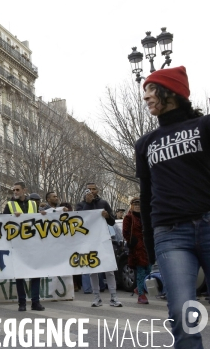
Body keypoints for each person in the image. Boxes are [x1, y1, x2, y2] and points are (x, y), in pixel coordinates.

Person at [135, 66, 210, 348]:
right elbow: (146, 196)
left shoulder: (204, 127)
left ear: (173, 92)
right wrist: (152, 248)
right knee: (182, 312)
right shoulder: (145, 143)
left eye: (152, 89)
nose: (146, 97)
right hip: (171, 234)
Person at [76, 183, 121, 308]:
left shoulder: (104, 203)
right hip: (88, 240)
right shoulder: (80, 204)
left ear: (98, 190)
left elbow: (112, 222)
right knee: (92, 270)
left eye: (93, 189)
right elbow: (80, 219)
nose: (91, 191)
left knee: (109, 269)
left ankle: (114, 296)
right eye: (88, 189)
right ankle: (96, 297)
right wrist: (88, 203)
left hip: (104, 239)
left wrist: (108, 216)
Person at [3, 182, 45, 312]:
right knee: (20, 275)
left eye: (17, 189)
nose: (15, 192)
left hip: (32, 244)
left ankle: (35, 302)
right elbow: (3, 222)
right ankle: (22, 303)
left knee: (35, 273)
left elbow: (37, 219)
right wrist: (10, 217)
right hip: (18, 245)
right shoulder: (9, 205)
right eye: (13, 190)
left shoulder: (32, 204)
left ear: (24, 190)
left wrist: (43, 215)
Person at [122, 197, 150, 304]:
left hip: (146, 247)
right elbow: (125, 232)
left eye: (139, 205)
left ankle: (139, 288)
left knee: (149, 269)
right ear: (132, 206)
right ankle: (141, 295)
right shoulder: (128, 217)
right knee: (141, 271)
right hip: (137, 248)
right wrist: (132, 241)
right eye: (135, 205)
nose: (138, 207)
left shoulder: (145, 216)